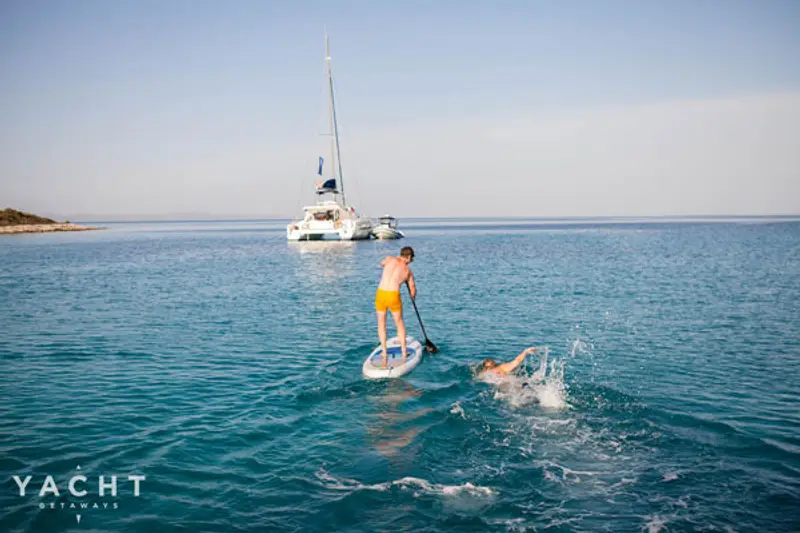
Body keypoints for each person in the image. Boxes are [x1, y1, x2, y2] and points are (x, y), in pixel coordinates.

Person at [375, 246, 416, 368]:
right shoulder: (407, 271)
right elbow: (412, 289)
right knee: (399, 322)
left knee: (381, 323)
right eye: (411, 259)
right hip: (393, 295)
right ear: (408, 257)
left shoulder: (389, 259)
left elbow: (381, 263)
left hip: (381, 293)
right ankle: (404, 352)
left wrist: (389, 263)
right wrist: (412, 296)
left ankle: (384, 352)